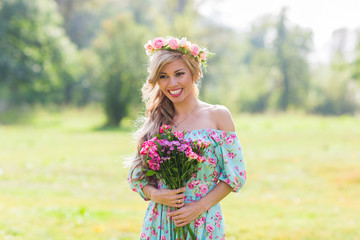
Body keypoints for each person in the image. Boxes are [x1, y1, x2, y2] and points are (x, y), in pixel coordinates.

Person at [128, 37, 246, 240]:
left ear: (195, 73)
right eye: (163, 76)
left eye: (179, 74)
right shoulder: (157, 120)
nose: (172, 83)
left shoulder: (218, 115)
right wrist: (155, 194)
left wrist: (198, 207)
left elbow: (235, 176)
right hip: (162, 221)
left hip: (204, 219)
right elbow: (137, 176)